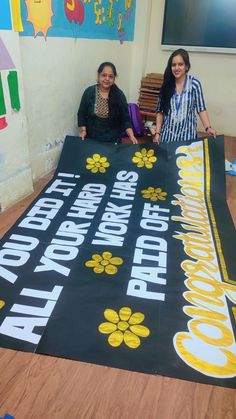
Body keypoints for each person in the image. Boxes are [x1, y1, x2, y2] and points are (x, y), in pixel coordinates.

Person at [153, 49, 217, 143]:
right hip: (167, 137)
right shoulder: (167, 85)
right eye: (173, 65)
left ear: (186, 66)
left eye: (180, 64)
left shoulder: (194, 84)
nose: (176, 68)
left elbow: (201, 109)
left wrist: (208, 128)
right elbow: (160, 111)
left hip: (188, 137)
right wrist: (157, 133)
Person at [77, 62, 137, 144]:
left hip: (112, 141)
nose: (107, 79)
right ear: (98, 76)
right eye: (104, 75)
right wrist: (83, 130)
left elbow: (125, 119)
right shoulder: (89, 92)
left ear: (114, 78)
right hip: (91, 139)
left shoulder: (119, 95)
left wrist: (131, 136)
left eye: (110, 76)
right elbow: (81, 113)